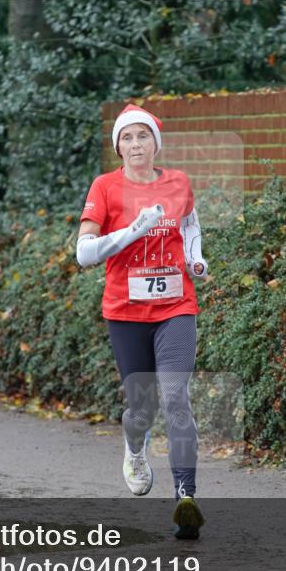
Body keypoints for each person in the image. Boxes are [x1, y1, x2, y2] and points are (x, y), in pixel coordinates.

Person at [76, 104, 208, 540]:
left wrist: (194, 258)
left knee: (175, 398)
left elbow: (189, 225)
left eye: (143, 135)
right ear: (118, 147)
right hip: (126, 312)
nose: (136, 144)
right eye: (127, 137)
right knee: (142, 408)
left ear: (156, 143)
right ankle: (134, 447)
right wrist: (133, 230)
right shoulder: (105, 187)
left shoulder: (178, 182)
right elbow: (84, 253)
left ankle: (186, 498)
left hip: (176, 308)